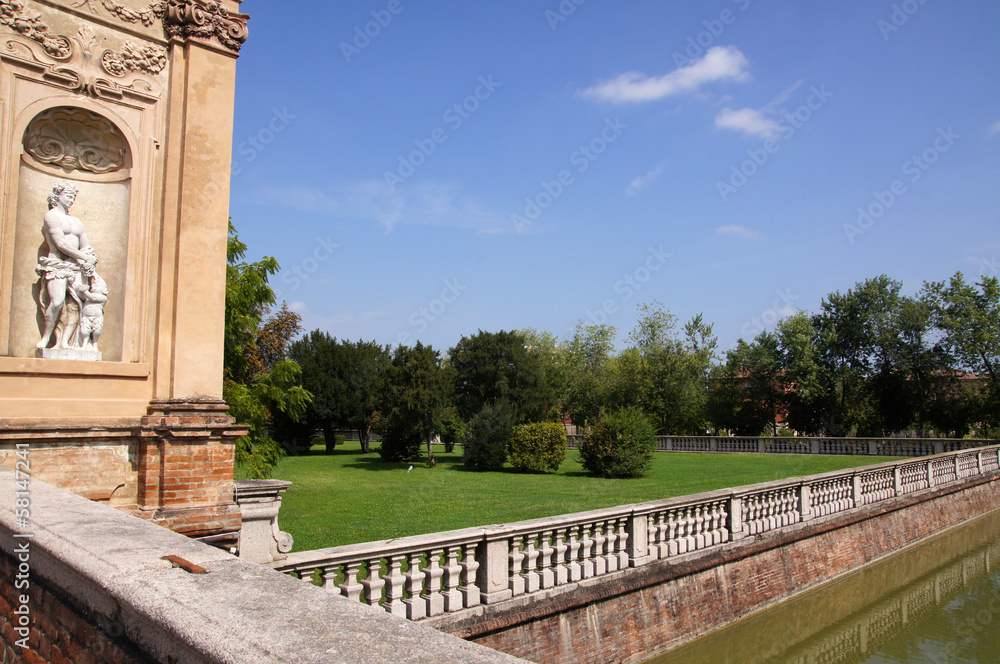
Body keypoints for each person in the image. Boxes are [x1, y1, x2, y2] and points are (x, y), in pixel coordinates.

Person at [35, 182, 99, 350]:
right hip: (58, 265)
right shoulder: (51, 216)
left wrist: (90, 258)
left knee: (74, 305)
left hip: (76, 267)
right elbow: (61, 243)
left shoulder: (76, 221)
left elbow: (84, 244)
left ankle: (65, 341)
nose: (71, 200)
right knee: (57, 302)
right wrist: (84, 256)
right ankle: (47, 337)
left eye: (73, 197)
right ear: (58, 196)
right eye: (68, 196)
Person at [76, 272, 108, 351]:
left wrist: (85, 291)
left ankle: (94, 345)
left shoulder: (102, 297)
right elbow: (83, 297)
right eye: (94, 285)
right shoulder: (89, 294)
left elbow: (93, 298)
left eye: (97, 286)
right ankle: (84, 344)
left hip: (96, 317)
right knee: (84, 331)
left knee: (96, 331)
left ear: (104, 290)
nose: (94, 286)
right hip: (86, 316)